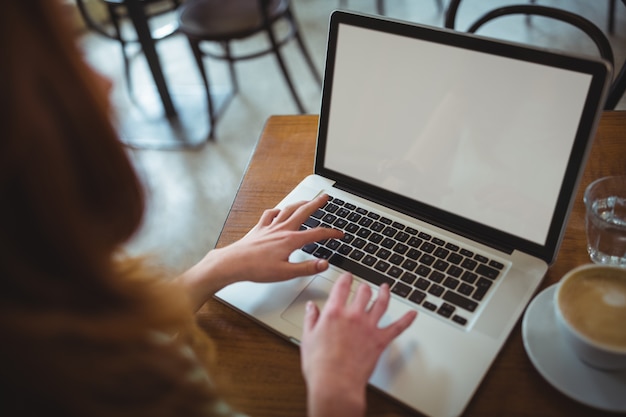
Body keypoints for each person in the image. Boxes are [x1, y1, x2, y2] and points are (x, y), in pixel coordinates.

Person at [0, 1, 417, 416]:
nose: (107, 82)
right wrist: (335, 392)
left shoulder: (43, 311)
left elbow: (106, 333)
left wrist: (217, 265)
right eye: (71, 55)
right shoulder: (72, 393)